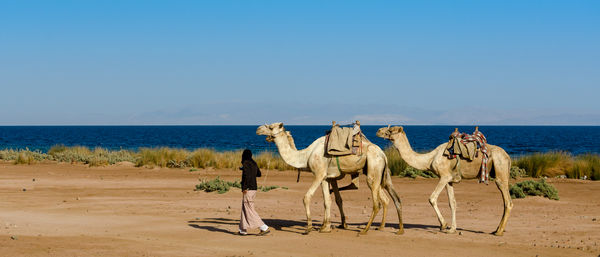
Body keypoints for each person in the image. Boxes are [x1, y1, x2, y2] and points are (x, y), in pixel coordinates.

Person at [237, 149, 270, 236]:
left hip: (248, 189)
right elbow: (259, 174)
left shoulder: (246, 163)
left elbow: (246, 176)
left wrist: (244, 187)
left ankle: (263, 227)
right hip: (254, 188)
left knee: (249, 209)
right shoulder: (254, 163)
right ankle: (242, 230)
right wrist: (250, 171)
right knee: (245, 208)